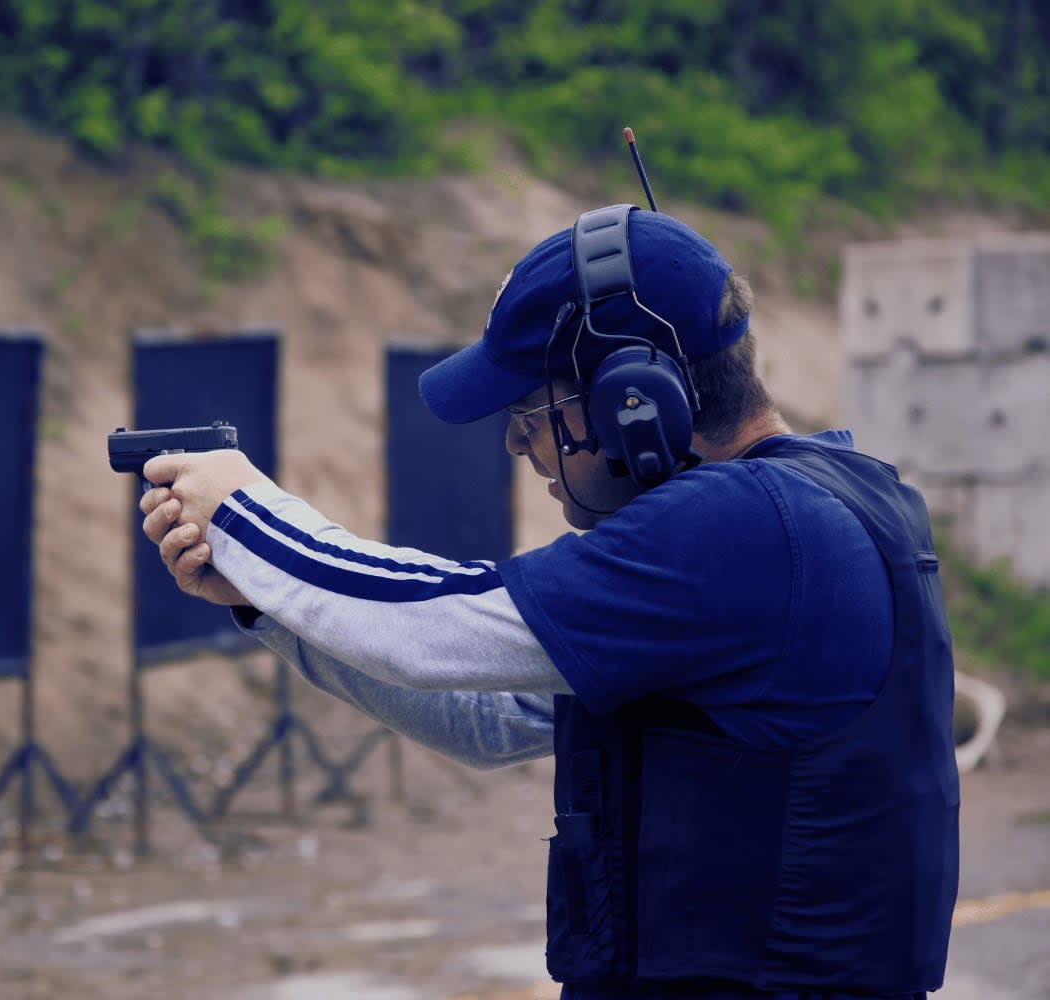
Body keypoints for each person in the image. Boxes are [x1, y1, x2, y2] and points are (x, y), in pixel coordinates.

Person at [136, 205, 959, 999]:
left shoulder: (747, 527)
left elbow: (434, 626)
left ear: (633, 398)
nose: (514, 440)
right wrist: (266, 604)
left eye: (530, 408)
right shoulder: (813, 510)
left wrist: (244, 514)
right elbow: (488, 717)